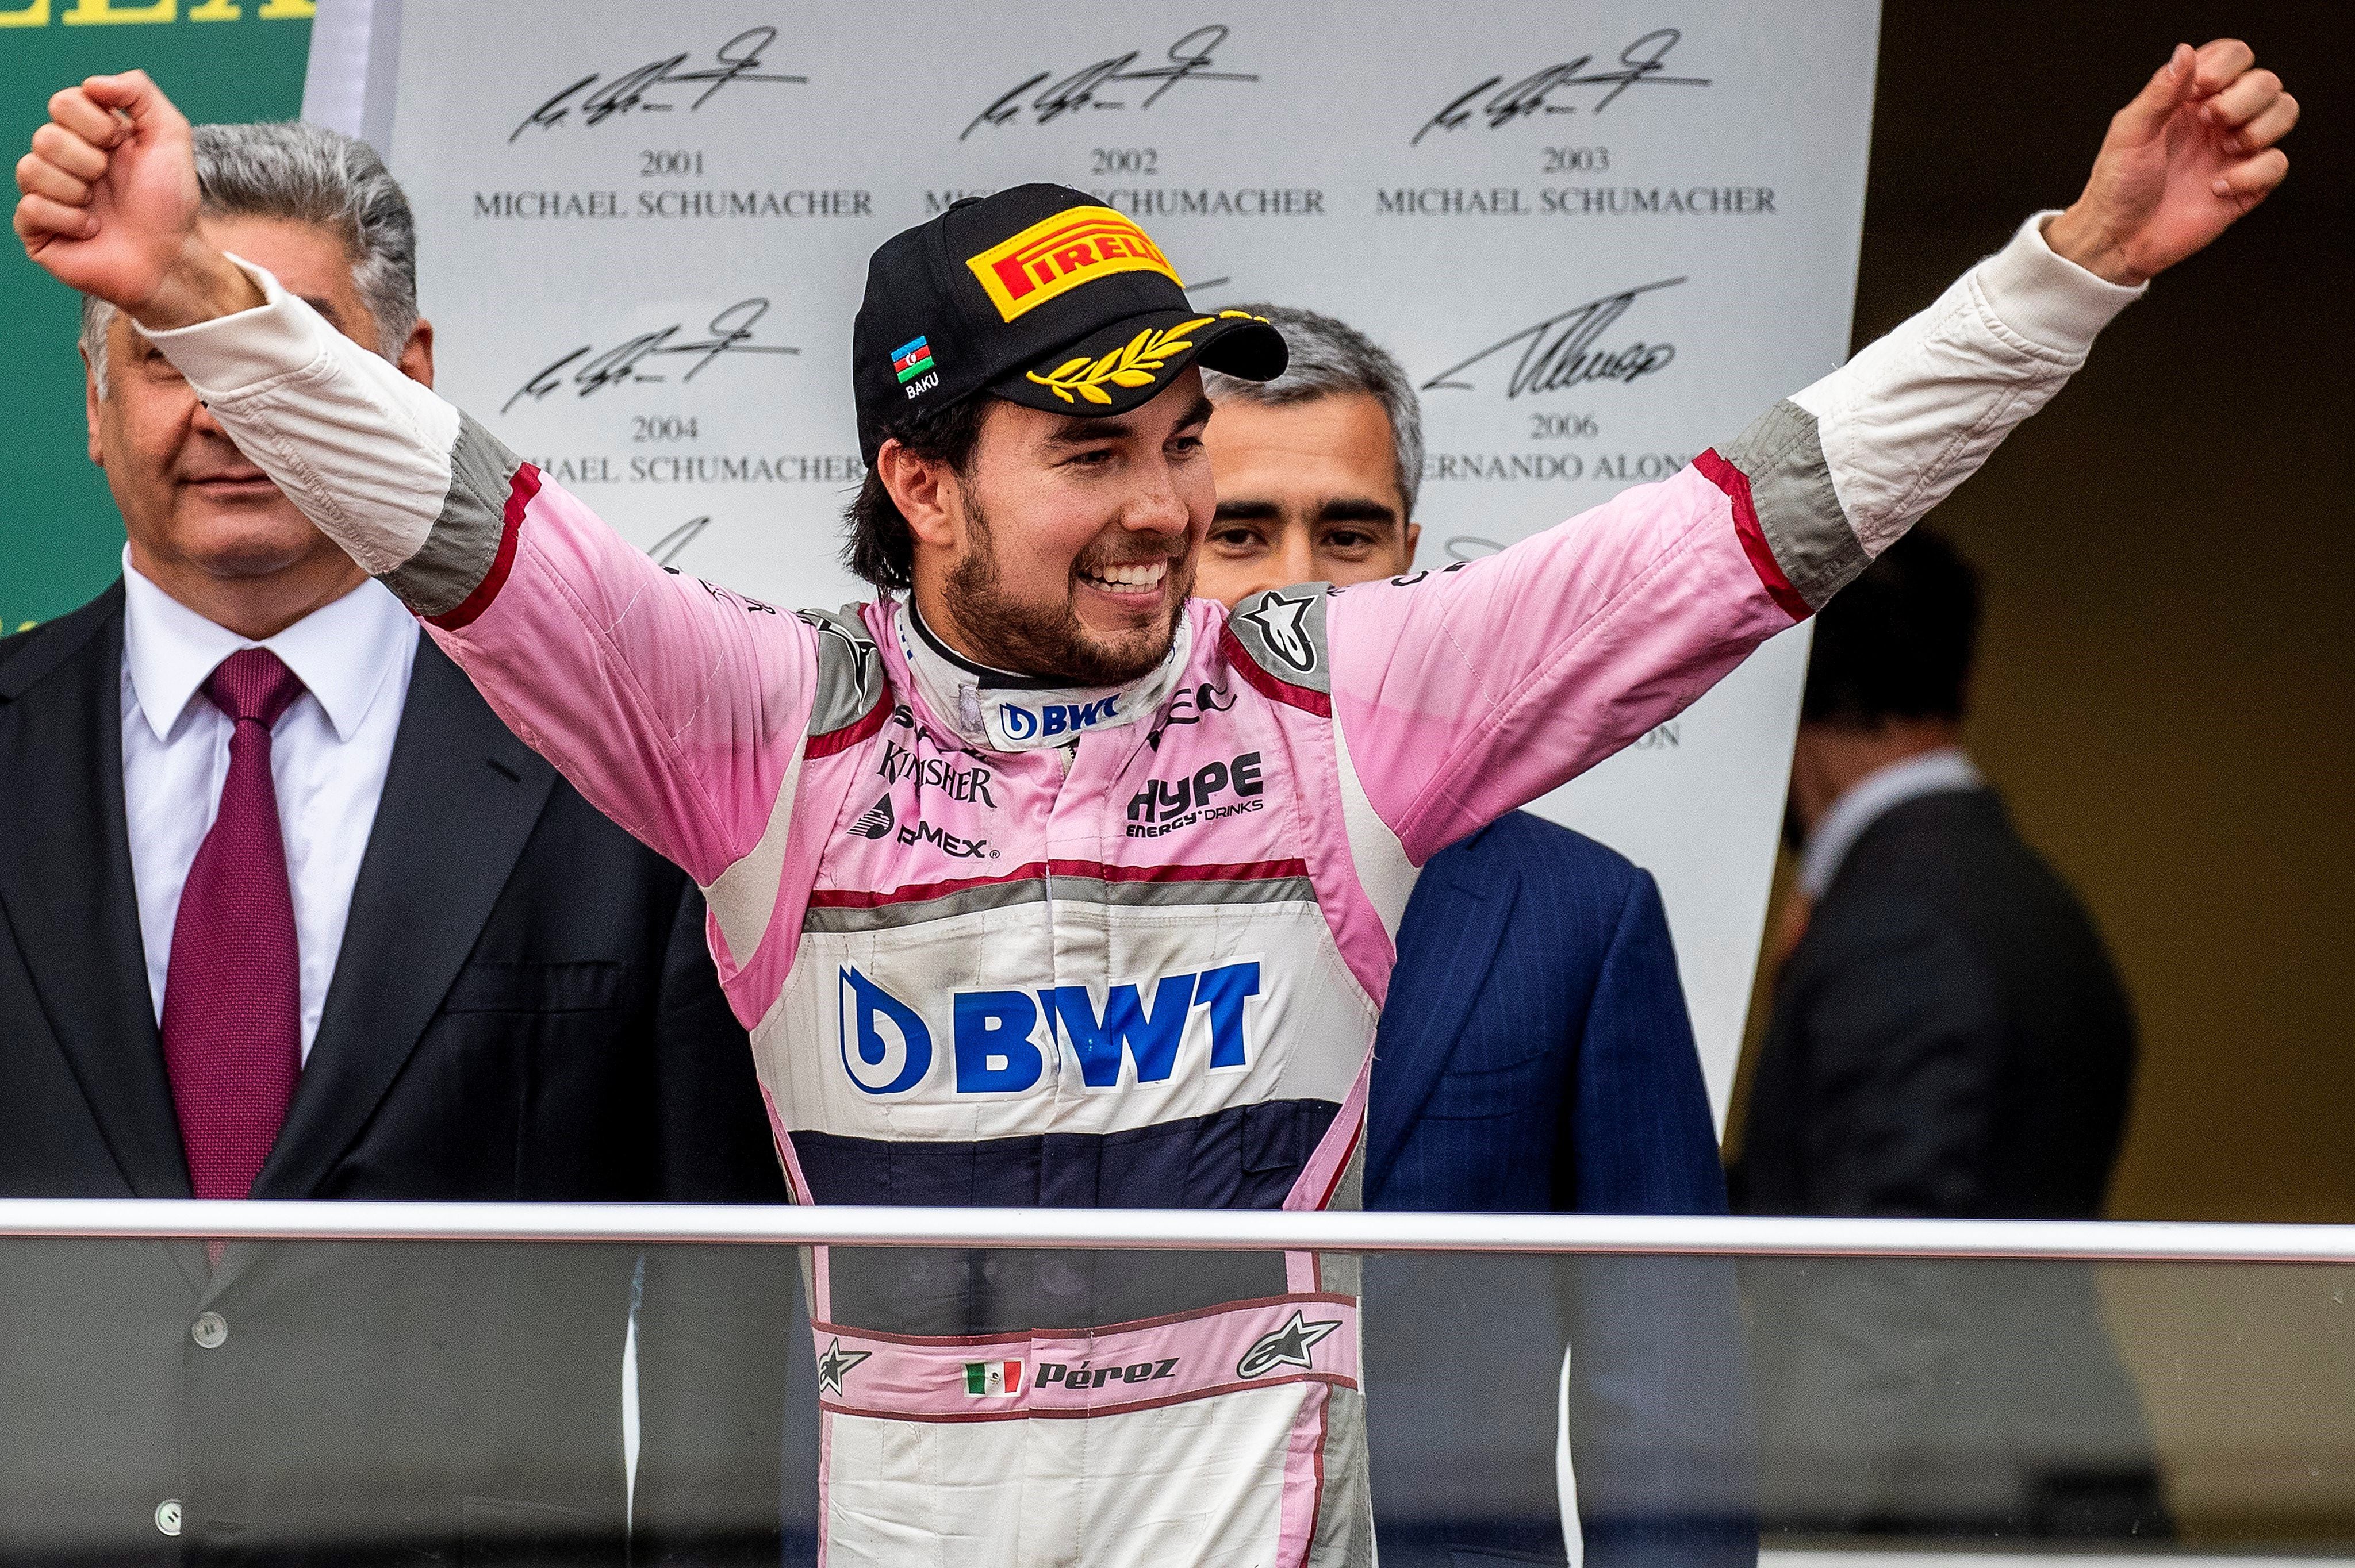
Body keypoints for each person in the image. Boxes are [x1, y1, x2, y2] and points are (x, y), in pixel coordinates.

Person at [11, 40, 2292, 1565]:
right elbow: (462, 517)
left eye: (1182, 442)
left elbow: (1746, 532)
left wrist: (2066, 269)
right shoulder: (746, 727)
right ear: (916, 481)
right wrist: (207, 301)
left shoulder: (1349, 707)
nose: (1163, 509)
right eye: (1090, 453)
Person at [0, 122, 791, 1563]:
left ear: (406, 377)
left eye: (275, 347)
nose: (225, 413)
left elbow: (717, 1309)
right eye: (174, 353)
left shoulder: (623, 768)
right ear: (94, 397)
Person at [1199, 306, 1752, 1568]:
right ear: (1164, 545)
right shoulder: (1020, 885)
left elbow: (1663, 1402)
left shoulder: (1577, 917)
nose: (1296, 575)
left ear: (1410, 554)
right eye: (1241, 530)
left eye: (1344, 531)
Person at [1732, 529, 2169, 1536]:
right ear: (1964, 679)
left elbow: (1883, 1292)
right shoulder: (2018, 893)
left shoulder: (1900, 927)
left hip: (1952, 1516)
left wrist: (1791, 1540)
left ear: (1784, 687)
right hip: (2046, 1477)